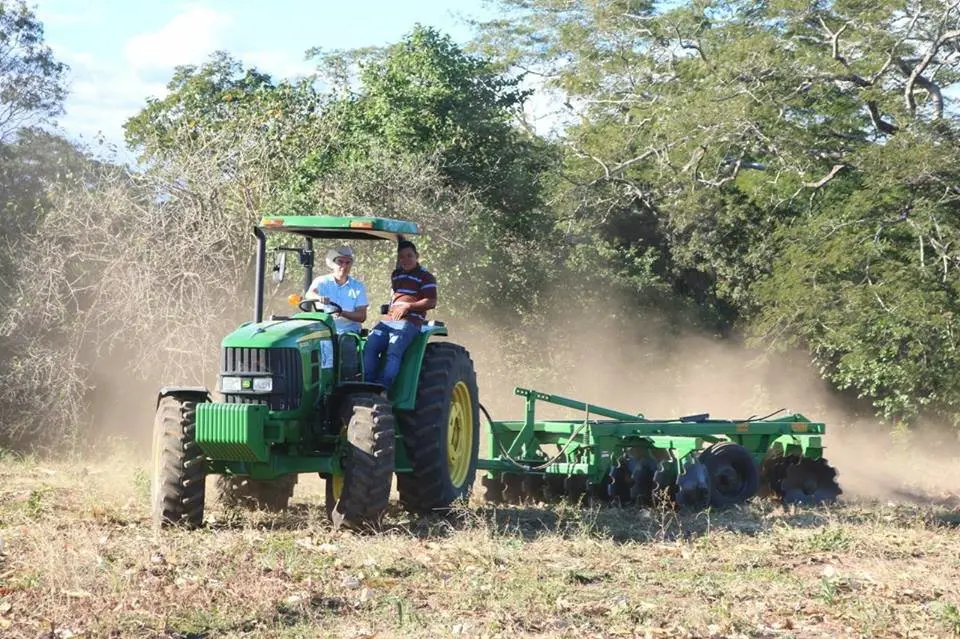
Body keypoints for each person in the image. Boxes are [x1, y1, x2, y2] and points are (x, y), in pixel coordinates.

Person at [363, 239, 437, 389]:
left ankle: (382, 387)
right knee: (369, 345)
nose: (405, 260)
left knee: (393, 350)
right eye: (401, 257)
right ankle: (367, 383)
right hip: (389, 320)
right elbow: (395, 296)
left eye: (409, 256)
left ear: (417, 256)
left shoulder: (426, 277)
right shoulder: (396, 274)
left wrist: (408, 307)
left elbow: (431, 301)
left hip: (410, 322)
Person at [305, 246, 368, 379]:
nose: (343, 266)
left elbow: (362, 316)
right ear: (333, 263)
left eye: (348, 262)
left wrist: (342, 313)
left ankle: (347, 382)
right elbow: (309, 294)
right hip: (323, 331)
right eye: (340, 262)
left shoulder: (357, 287)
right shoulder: (322, 281)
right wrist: (317, 297)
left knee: (346, 345)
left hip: (347, 332)